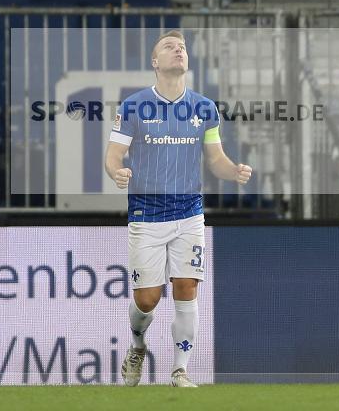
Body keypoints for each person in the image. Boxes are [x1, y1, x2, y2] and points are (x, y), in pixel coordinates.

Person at [104, 30, 252, 388]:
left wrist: (232, 170)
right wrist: (117, 172)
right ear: (155, 62)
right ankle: (138, 344)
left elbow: (214, 158)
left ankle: (180, 370)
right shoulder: (134, 106)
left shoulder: (204, 108)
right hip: (146, 213)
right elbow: (113, 155)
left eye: (182, 47)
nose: (178, 51)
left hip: (189, 212)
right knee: (148, 298)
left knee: (187, 286)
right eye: (169, 47)